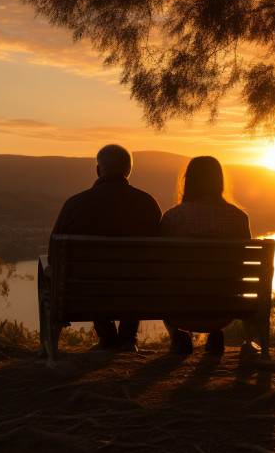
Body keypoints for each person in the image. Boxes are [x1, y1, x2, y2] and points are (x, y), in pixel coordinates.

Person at [48, 144, 162, 351]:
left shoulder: (74, 204)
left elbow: (52, 255)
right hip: (137, 293)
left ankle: (108, 337)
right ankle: (127, 338)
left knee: (91, 277)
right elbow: (158, 258)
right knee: (135, 276)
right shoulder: (147, 204)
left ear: (98, 170)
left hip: (87, 292)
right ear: (128, 171)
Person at [159, 156, 250, 355]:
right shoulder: (239, 218)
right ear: (219, 181)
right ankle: (216, 333)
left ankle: (179, 336)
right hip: (224, 309)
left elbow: (161, 267)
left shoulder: (172, 218)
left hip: (180, 311)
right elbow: (242, 266)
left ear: (188, 181)